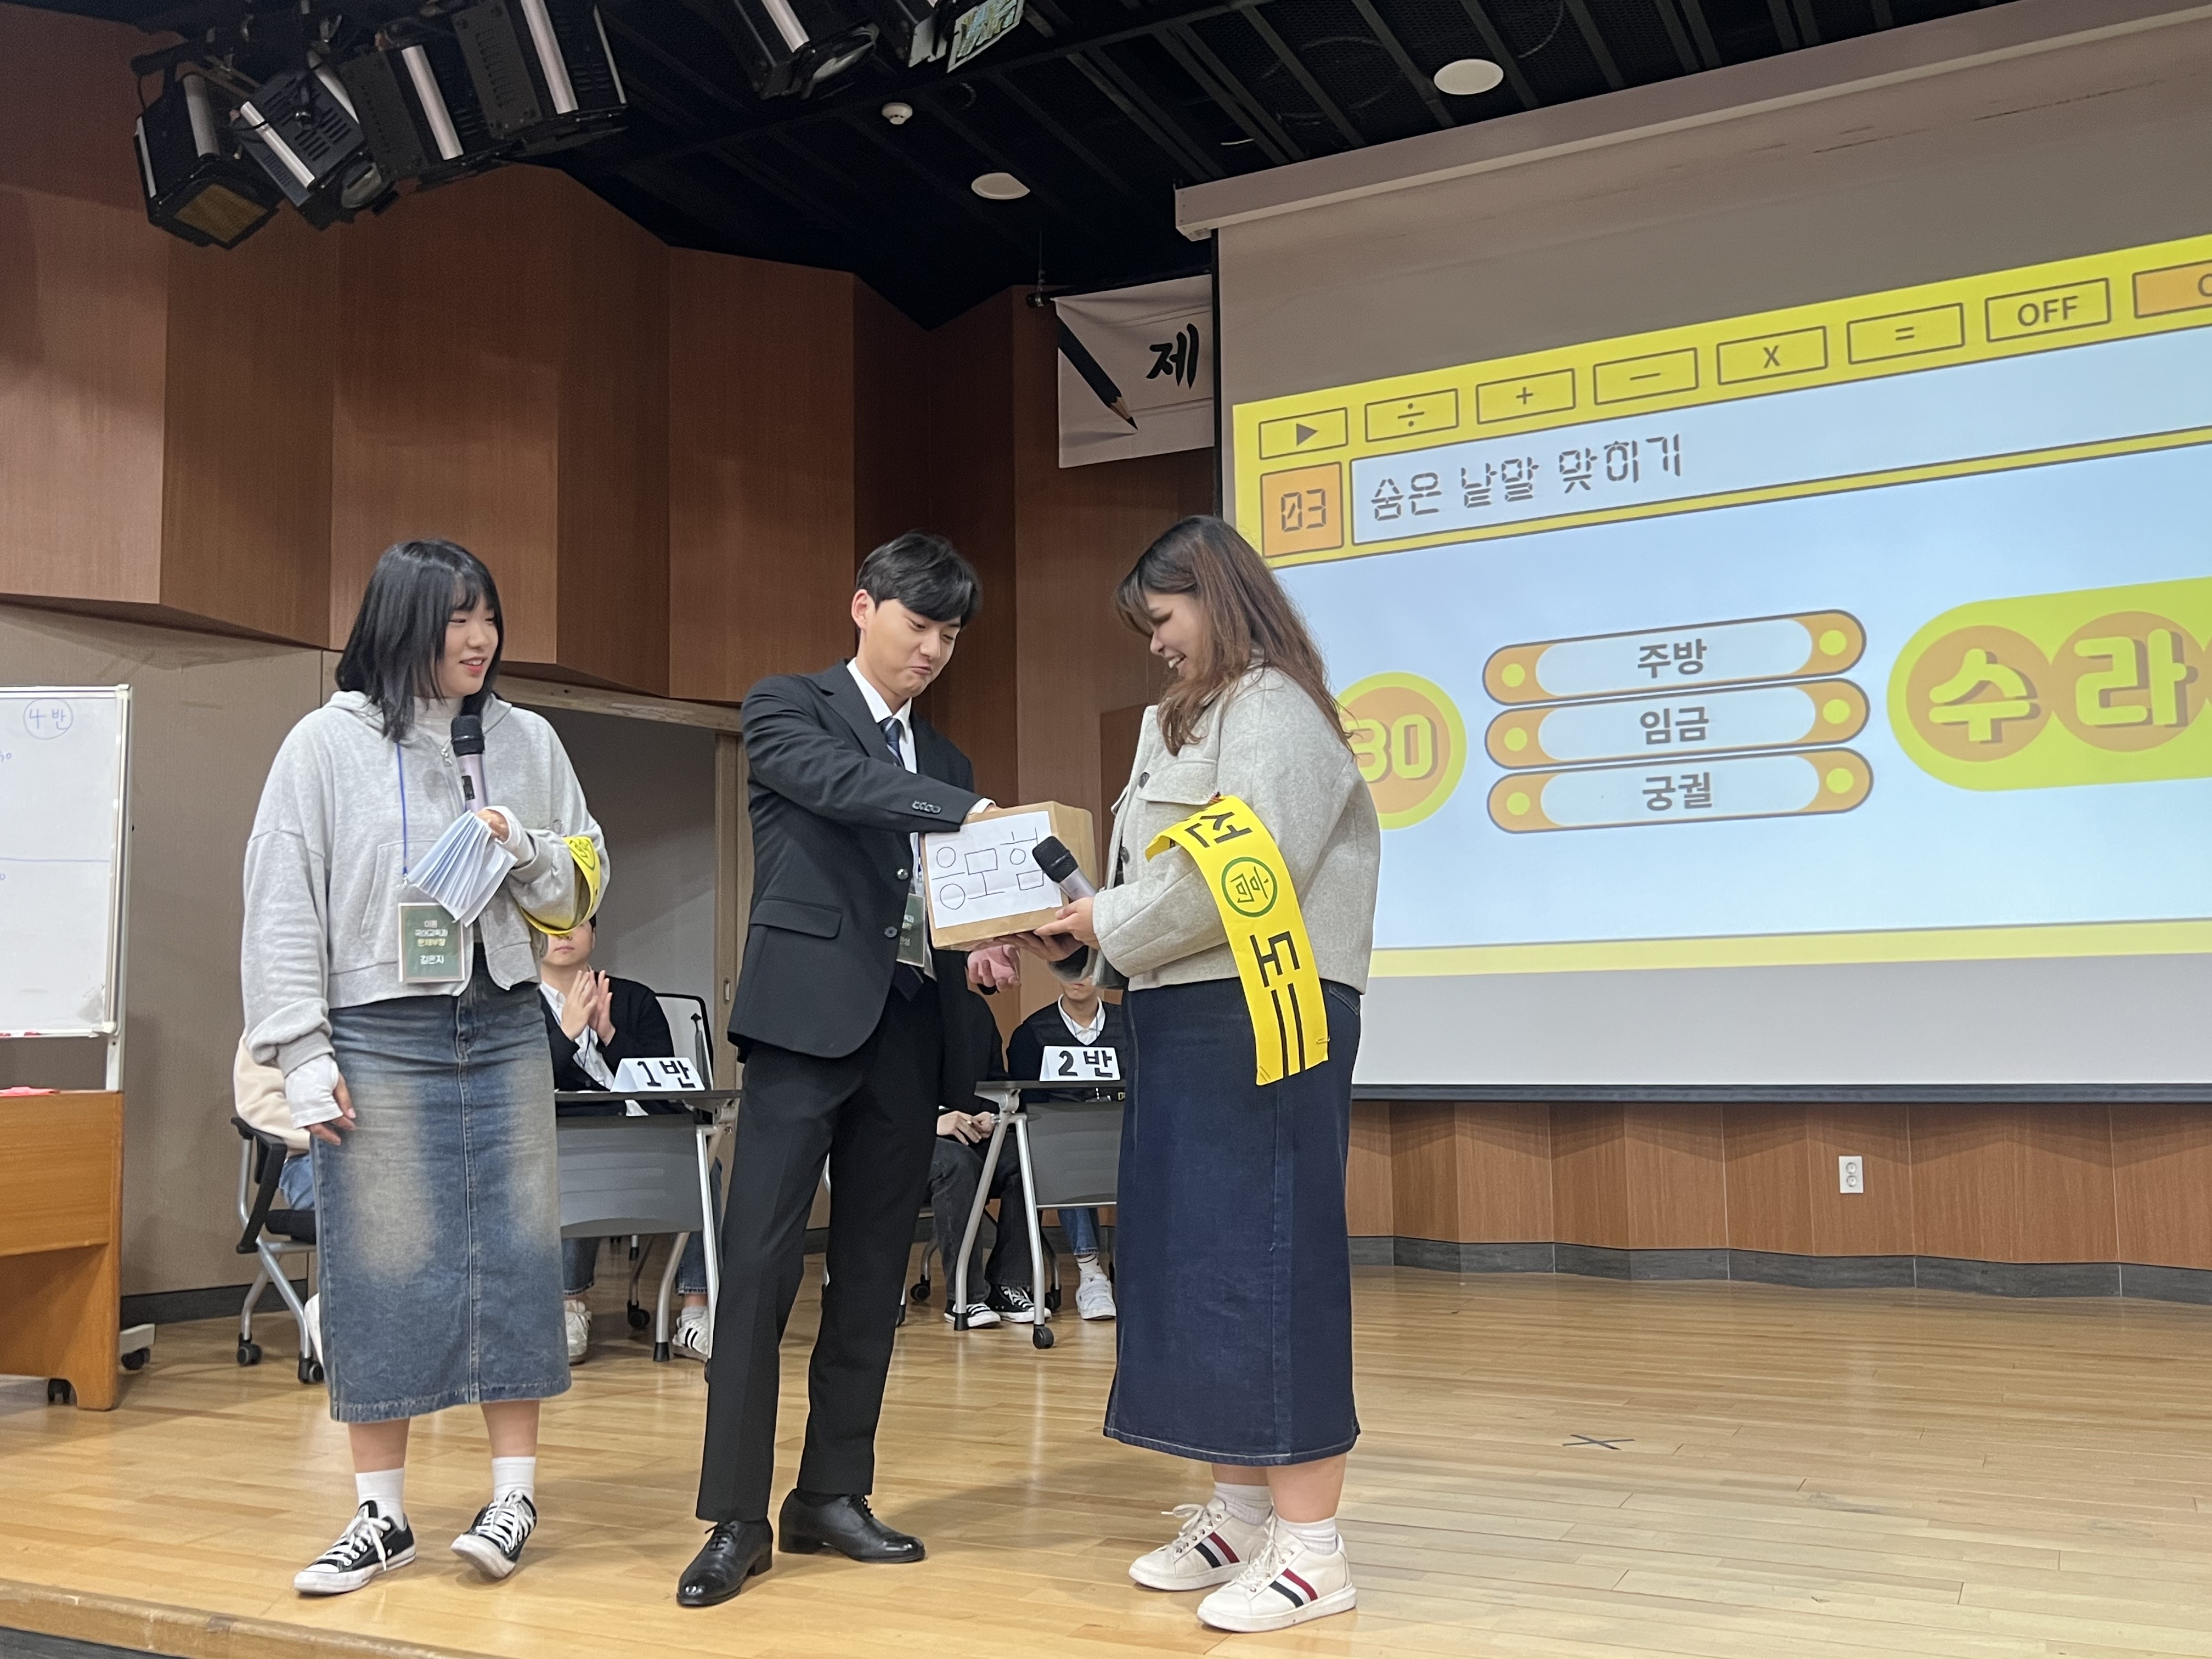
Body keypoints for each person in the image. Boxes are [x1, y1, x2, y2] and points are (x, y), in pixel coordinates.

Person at [1020, 515, 1380, 1634]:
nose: (1155, 642)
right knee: (1193, 1260)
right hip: (1183, 1013)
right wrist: (1085, 935)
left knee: (1268, 1258)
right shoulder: (1179, 718)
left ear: (1217, 599)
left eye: (1164, 616)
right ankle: (1239, 1513)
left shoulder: (1274, 707)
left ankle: (1313, 1550)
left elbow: (1244, 867)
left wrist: (1106, 919)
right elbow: (1154, 889)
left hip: (1263, 1010)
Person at [243, 538, 606, 1597]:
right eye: (457, 618)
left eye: (488, 616)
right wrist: (300, 1049)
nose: (480, 637)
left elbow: (583, 878)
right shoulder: (324, 742)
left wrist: (526, 845)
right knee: (383, 1260)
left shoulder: (527, 738)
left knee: (517, 1250)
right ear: (401, 621)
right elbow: (280, 903)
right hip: (378, 1030)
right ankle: (381, 1514)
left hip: (503, 1019)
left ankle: (513, 1494)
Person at [679, 531, 1001, 1609]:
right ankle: (735, 1515)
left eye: (950, 634)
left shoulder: (949, 758)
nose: (933, 649)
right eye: (919, 624)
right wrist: (962, 813)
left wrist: (981, 939)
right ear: (863, 607)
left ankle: (830, 1492)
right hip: (802, 1026)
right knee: (760, 1269)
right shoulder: (787, 707)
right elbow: (840, 783)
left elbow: (946, 895)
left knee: (870, 1277)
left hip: (908, 1031)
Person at [537, 918, 716, 1365]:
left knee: (701, 1160)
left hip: (645, 1134)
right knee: (574, 1154)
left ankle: (695, 1313)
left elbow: (664, 1086)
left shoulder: (635, 998)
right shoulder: (517, 1005)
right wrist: (568, 1033)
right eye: (551, 924)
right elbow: (522, 1085)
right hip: (570, 1139)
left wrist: (609, 1034)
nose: (564, 934)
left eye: (576, 923)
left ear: (595, 934)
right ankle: (570, 1305)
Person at [1004, 975, 1126, 1322]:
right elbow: (1029, 1103)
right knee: (1060, 1145)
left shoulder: (1128, 1024)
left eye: (1086, 968)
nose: (1079, 978)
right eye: (1069, 969)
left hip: (1120, 1135)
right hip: (1064, 1145)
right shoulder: (1033, 1033)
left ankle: (1131, 1269)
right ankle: (1090, 1273)